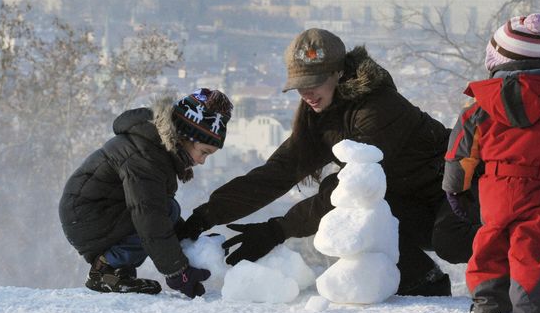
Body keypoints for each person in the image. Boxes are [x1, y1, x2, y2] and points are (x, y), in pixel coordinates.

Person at [178, 28, 478, 296]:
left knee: (446, 241)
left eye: (314, 82)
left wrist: (277, 229)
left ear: (338, 73)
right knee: (363, 221)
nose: (306, 93)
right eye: (299, 85)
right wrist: (205, 216)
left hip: (456, 192)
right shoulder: (321, 111)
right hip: (410, 198)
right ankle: (425, 284)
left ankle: (516, 263)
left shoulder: (378, 108)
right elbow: (279, 171)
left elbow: (347, 190)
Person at [442, 14, 540, 313]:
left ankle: (489, 307)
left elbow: (460, 152)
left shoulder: (478, 103)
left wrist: (455, 190)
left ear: (498, 57)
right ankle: (534, 312)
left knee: (489, 245)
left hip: (494, 191)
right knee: (534, 252)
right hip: (538, 190)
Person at [59, 88, 233, 297]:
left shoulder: (153, 148)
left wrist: (188, 241)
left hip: (93, 214)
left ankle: (119, 272)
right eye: (204, 152)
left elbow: (151, 206)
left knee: (168, 210)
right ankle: (106, 271)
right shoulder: (145, 156)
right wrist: (178, 271)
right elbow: (149, 216)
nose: (202, 161)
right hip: (87, 217)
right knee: (166, 211)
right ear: (185, 136)